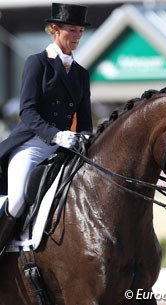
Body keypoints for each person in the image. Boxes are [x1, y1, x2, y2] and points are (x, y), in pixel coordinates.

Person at [0, 3, 93, 255]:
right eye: (71, 31)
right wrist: (55, 134)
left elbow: (84, 119)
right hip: (31, 145)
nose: (76, 37)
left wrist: (85, 135)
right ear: (55, 29)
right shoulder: (37, 63)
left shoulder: (81, 74)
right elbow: (27, 111)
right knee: (18, 198)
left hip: (64, 149)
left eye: (80, 32)